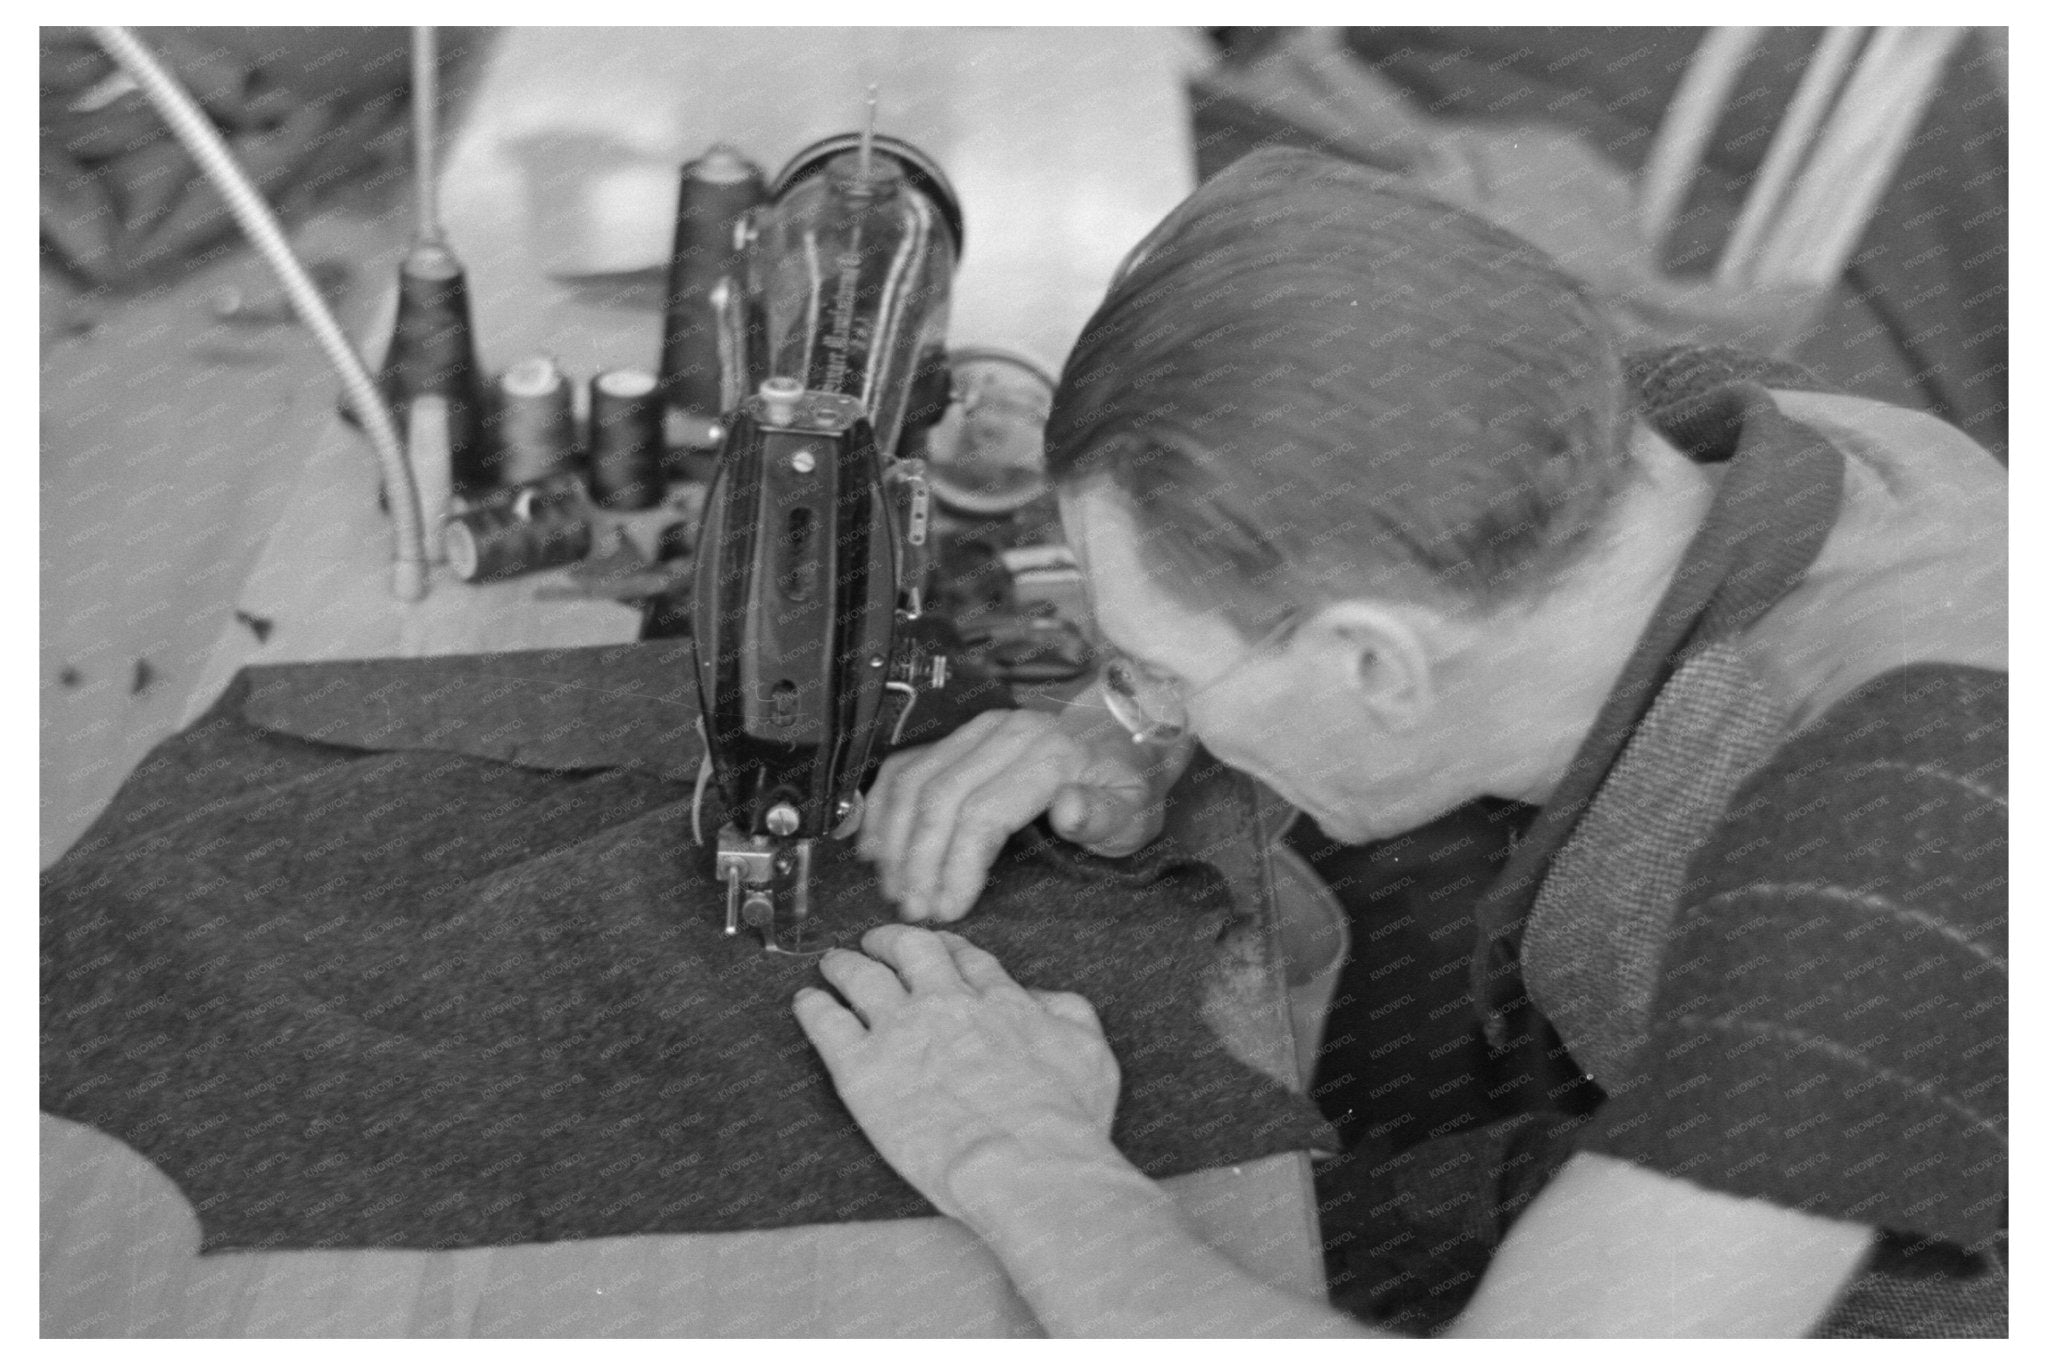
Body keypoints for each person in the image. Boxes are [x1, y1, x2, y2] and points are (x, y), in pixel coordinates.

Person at [790, 147, 2007, 1337]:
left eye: (1162, 662)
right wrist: (1127, 719)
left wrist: (1015, 1149)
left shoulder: (1890, 841)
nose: (1144, 692)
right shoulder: (1664, 428)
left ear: (1374, 663)